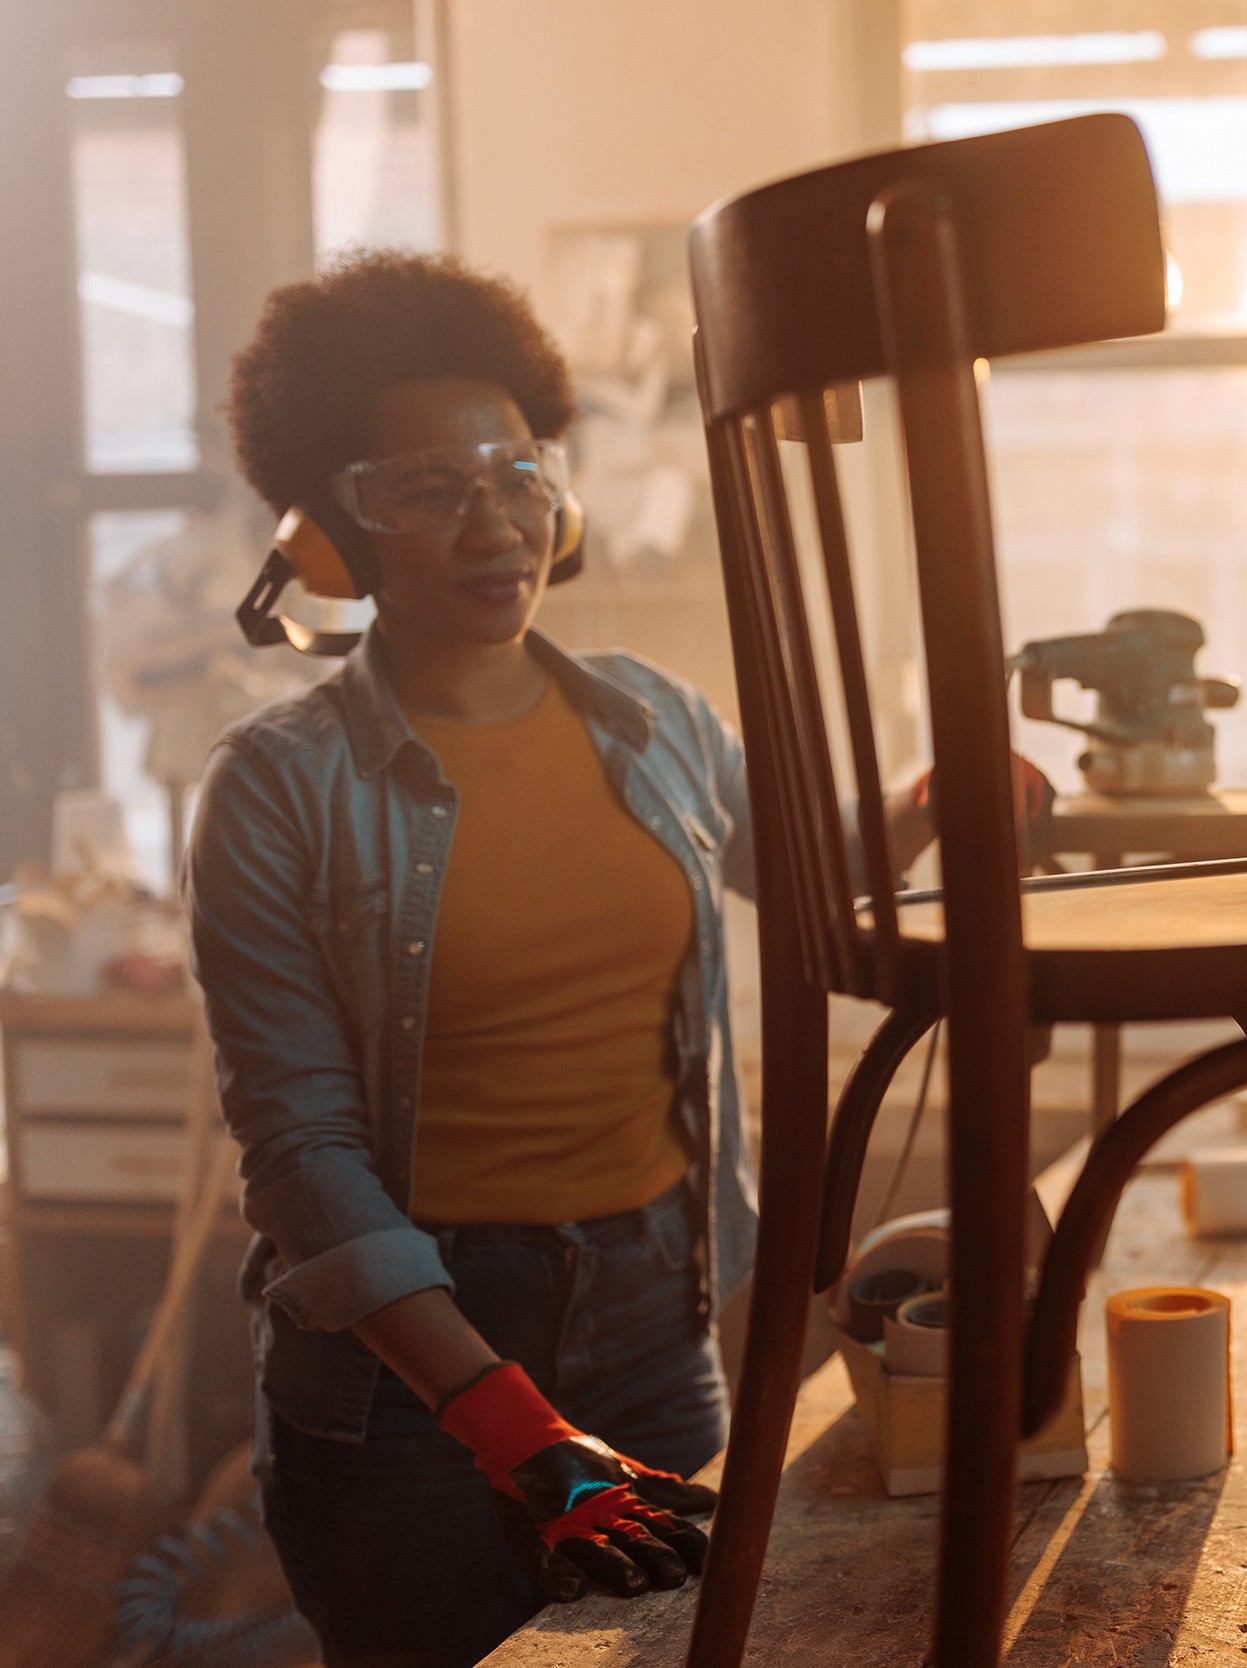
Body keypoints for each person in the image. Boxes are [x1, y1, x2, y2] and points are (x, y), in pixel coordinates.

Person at [190, 251, 1000, 1667]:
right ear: (333, 532)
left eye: (517, 473)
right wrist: (503, 1418)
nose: (494, 522)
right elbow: (300, 1151)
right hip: (409, 1379)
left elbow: (797, 864)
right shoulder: (274, 790)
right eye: (429, 490)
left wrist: (942, 804)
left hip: (651, 1332)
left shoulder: (652, 719)